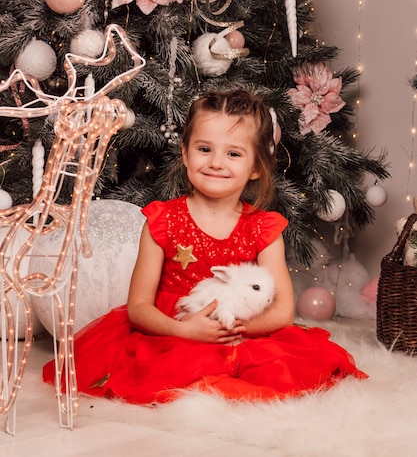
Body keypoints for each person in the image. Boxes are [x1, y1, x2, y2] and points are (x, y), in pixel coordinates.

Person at [43, 88, 366, 403]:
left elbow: (282, 311)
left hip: (242, 332)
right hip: (174, 329)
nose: (216, 163)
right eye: (204, 149)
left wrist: (233, 330)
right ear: (185, 153)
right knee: (166, 374)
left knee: (278, 370)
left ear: (255, 167)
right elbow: (139, 307)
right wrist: (183, 331)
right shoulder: (162, 220)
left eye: (234, 153)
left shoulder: (263, 227)